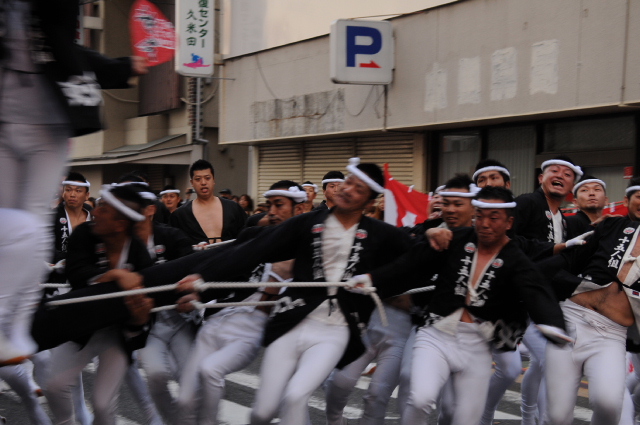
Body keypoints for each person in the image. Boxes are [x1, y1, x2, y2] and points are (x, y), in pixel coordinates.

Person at [173, 158, 413, 425]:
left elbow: (415, 258)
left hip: (335, 331)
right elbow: (253, 250)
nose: (347, 190)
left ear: (370, 202)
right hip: (292, 320)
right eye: (348, 182)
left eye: (359, 189)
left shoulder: (381, 234)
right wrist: (203, 278)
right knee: (262, 413)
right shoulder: (308, 223)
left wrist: (377, 277)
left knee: (296, 395)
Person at [0, 0, 147, 365]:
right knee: (10, 225)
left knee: (33, 228)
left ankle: (14, 324)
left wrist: (119, 68)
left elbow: (64, 47)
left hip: (48, 122)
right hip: (5, 120)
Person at [363, 186, 568, 425]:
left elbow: (536, 291)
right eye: (480, 216)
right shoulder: (455, 239)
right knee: (420, 399)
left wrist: (552, 324)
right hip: (436, 334)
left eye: (494, 218)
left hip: (477, 345)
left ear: (509, 222)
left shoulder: (516, 258)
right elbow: (409, 262)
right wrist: (371, 278)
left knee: (464, 419)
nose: (485, 224)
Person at [176, 181, 307, 425]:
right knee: (184, 401)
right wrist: (198, 295)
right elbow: (226, 269)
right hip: (216, 320)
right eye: (269, 205)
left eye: (279, 205)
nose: (271, 212)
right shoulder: (256, 241)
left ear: (299, 209)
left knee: (211, 370)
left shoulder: (307, 255)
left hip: (249, 333)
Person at [43, 185, 156, 425]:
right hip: (80, 324)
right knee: (54, 386)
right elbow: (76, 274)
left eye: (104, 209)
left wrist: (139, 320)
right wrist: (115, 275)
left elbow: (147, 318)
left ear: (120, 224)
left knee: (103, 405)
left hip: (116, 334)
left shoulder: (140, 257)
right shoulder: (84, 234)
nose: (95, 212)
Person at [538, 178, 640, 425]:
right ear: (627, 200)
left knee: (609, 404)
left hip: (611, 334)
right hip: (571, 318)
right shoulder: (614, 226)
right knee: (557, 416)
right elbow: (570, 260)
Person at [513, 156, 583, 425]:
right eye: (554, 170)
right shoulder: (528, 203)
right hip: (519, 296)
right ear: (541, 178)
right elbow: (511, 241)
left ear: (571, 186)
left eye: (567, 174)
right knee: (547, 362)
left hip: (543, 299)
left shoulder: (562, 219)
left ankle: (529, 418)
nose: (560, 176)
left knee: (541, 362)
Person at [130, 184, 196, 425]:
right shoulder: (123, 244)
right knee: (156, 375)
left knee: (189, 381)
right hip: (149, 326)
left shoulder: (171, 236)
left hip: (179, 319)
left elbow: (193, 262)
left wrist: (193, 292)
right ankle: (172, 421)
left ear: (150, 210)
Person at [170, 160, 246, 245]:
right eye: (198, 179)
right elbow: (175, 245)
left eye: (207, 178)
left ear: (213, 180)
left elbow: (247, 236)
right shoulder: (181, 214)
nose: (203, 183)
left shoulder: (233, 208)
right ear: (192, 183)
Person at [48, 172, 92, 284]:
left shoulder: (94, 216)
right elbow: (48, 246)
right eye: (68, 190)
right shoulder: (52, 216)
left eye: (78, 191)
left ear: (87, 195)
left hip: (88, 274)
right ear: (63, 193)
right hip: (59, 277)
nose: (72, 194)